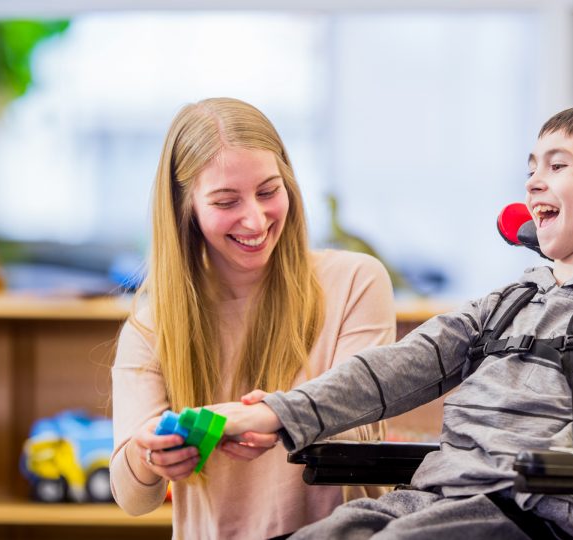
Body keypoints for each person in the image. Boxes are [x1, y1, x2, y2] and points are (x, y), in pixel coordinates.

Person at [212, 104, 573, 539]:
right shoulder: (508, 302)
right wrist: (277, 413)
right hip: (428, 504)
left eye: (557, 165)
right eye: (531, 168)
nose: (532, 182)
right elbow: (397, 366)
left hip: (522, 519)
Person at [109, 97, 397, 539]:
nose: (255, 219)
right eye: (226, 201)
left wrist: (280, 418)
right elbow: (132, 498)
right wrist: (149, 456)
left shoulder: (356, 281)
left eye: (268, 191)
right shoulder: (152, 326)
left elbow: (359, 434)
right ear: (187, 209)